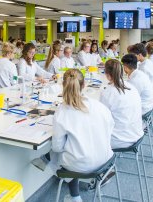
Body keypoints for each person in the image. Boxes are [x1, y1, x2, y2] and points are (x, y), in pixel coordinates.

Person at [32, 69, 114, 202]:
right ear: (84, 85)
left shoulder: (62, 112)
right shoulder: (99, 105)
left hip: (81, 165)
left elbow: (57, 148)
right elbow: (109, 129)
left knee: (65, 151)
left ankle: (75, 196)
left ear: (63, 86)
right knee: (76, 146)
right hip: (106, 159)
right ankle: (45, 160)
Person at [100, 59, 143, 149]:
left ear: (107, 75)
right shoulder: (131, 87)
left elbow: (102, 119)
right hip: (137, 133)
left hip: (120, 140)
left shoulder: (108, 93)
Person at [121, 54, 153, 120]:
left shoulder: (135, 80)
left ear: (125, 67)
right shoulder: (138, 74)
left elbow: (127, 99)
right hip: (148, 106)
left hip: (144, 111)